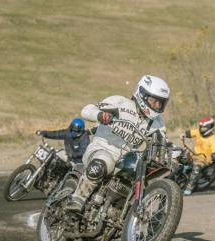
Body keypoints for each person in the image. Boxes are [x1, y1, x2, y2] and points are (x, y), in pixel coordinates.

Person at [67, 74, 170, 211]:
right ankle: (78, 199)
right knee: (104, 162)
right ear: (142, 95)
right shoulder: (120, 103)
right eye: (154, 101)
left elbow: (164, 142)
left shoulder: (157, 123)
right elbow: (86, 110)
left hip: (127, 161)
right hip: (101, 148)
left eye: (161, 102)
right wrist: (99, 115)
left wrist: (177, 153)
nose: (157, 106)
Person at [180, 116, 215, 196]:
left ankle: (189, 187)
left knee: (196, 168)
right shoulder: (198, 131)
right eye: (201, 127)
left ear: (210, 127)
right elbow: (191, 132)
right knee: (179, 158)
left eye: (204, 128)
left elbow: (214, 149)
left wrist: (214, 155)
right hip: (194, 154)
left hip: (204, 158)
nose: (202, 129)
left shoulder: (212, 139)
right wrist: (184, 134)